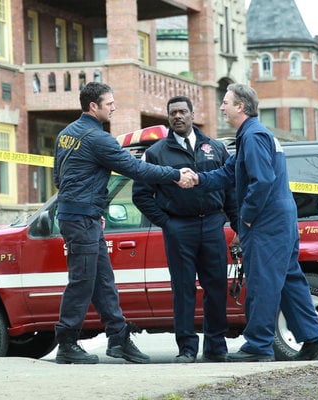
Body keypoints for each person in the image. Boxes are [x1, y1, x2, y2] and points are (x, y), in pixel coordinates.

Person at [53, 81, 194, 364]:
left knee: (103, 281)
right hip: (80, 218)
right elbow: (135, 168)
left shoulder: (66, 134)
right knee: (82, 280)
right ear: (94, 106)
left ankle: (118, 338)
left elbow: (60, 177)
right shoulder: (98, 139)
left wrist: (95, 206)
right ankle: (67, 342)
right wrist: (175, 175)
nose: (114, 107)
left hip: (81, 215)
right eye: (109, 103)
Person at [192, 83, 318, 362]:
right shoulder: (253, 135)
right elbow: (228, 173)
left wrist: (247, 219)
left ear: (240, 107)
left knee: (262, 282)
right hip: (281, 218)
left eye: (226, 102)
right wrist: (196, 179)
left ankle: (258, 345)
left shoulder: (253, 137)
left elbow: (262, 181)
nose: (222, 107)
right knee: (289, 279)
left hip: (267, 220)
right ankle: (312, 338)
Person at [132, 96, 239, 363]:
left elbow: (231, 190)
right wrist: (168, 223)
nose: (177, 116)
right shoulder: (156, 154)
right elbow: (141, 195)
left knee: (216, 287)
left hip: (213, 225)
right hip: (179, 228)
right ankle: (187, 348)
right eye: (173, 113)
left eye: (182, 112)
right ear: (168, 118)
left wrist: (237, 226)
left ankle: (216, 347)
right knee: (183, 289)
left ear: (193, 114)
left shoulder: (214, 147)